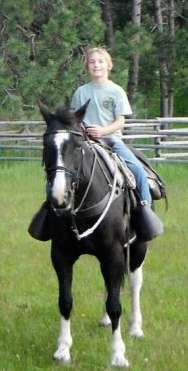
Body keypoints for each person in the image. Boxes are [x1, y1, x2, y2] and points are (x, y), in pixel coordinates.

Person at [70, 46, 163, 240]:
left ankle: (145, 210)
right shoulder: (80, 92)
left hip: (112, 140)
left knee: (137, 170)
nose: (97, 65)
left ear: (108, 66)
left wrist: (102, 131)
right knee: (62, 171)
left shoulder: (116, 91)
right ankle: (52, 212)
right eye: (93, 61)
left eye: (101, 61)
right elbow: (75, 119)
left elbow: (120, 121)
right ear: (87, 66)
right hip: (86, 142)